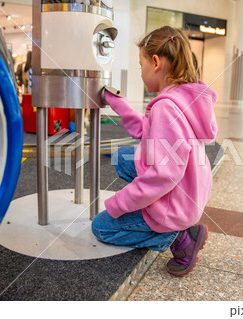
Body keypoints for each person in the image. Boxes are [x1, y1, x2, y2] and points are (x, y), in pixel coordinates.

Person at [91, 26, 218, 277]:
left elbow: (165, 174)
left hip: (176, 203)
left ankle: (179, 237)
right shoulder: (183, 96)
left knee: (101, 227)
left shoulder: (166, 108)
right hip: (191, 191)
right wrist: (118, 103)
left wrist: (119, 203)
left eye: (141, 65)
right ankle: (179, 224)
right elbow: (148, 132)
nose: (141, 72)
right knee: (123, 157)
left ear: (156, 63)